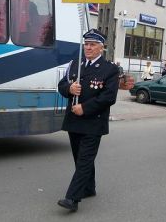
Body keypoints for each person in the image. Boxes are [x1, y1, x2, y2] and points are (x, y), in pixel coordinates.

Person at [57, 29, 120, 212]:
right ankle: (89, 187)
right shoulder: (76, 64)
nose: (88, 47)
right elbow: (61, 85)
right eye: (86, 44)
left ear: (101, 47)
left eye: (92, 44)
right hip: (74, 121)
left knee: (84, 160)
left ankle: (72, 198)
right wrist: (70, 89)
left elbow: (109, 97)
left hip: (93, 122)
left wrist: (85, 107)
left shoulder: (110, 69)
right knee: (80, 158)